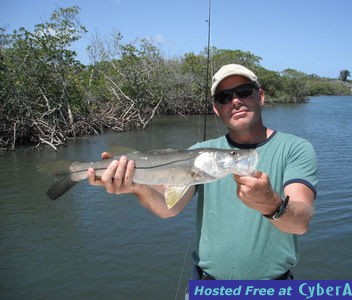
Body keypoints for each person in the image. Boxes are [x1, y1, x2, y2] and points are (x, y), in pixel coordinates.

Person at [87, 64, 318, 281]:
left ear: (261, 97)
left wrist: (271, 204)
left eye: (244, 91)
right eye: (224, 97)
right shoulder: (198, 153)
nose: (235, 101)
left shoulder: (295, 148)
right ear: (217, 109)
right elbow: (169, 208)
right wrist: (136, 186)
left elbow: (301, 223)